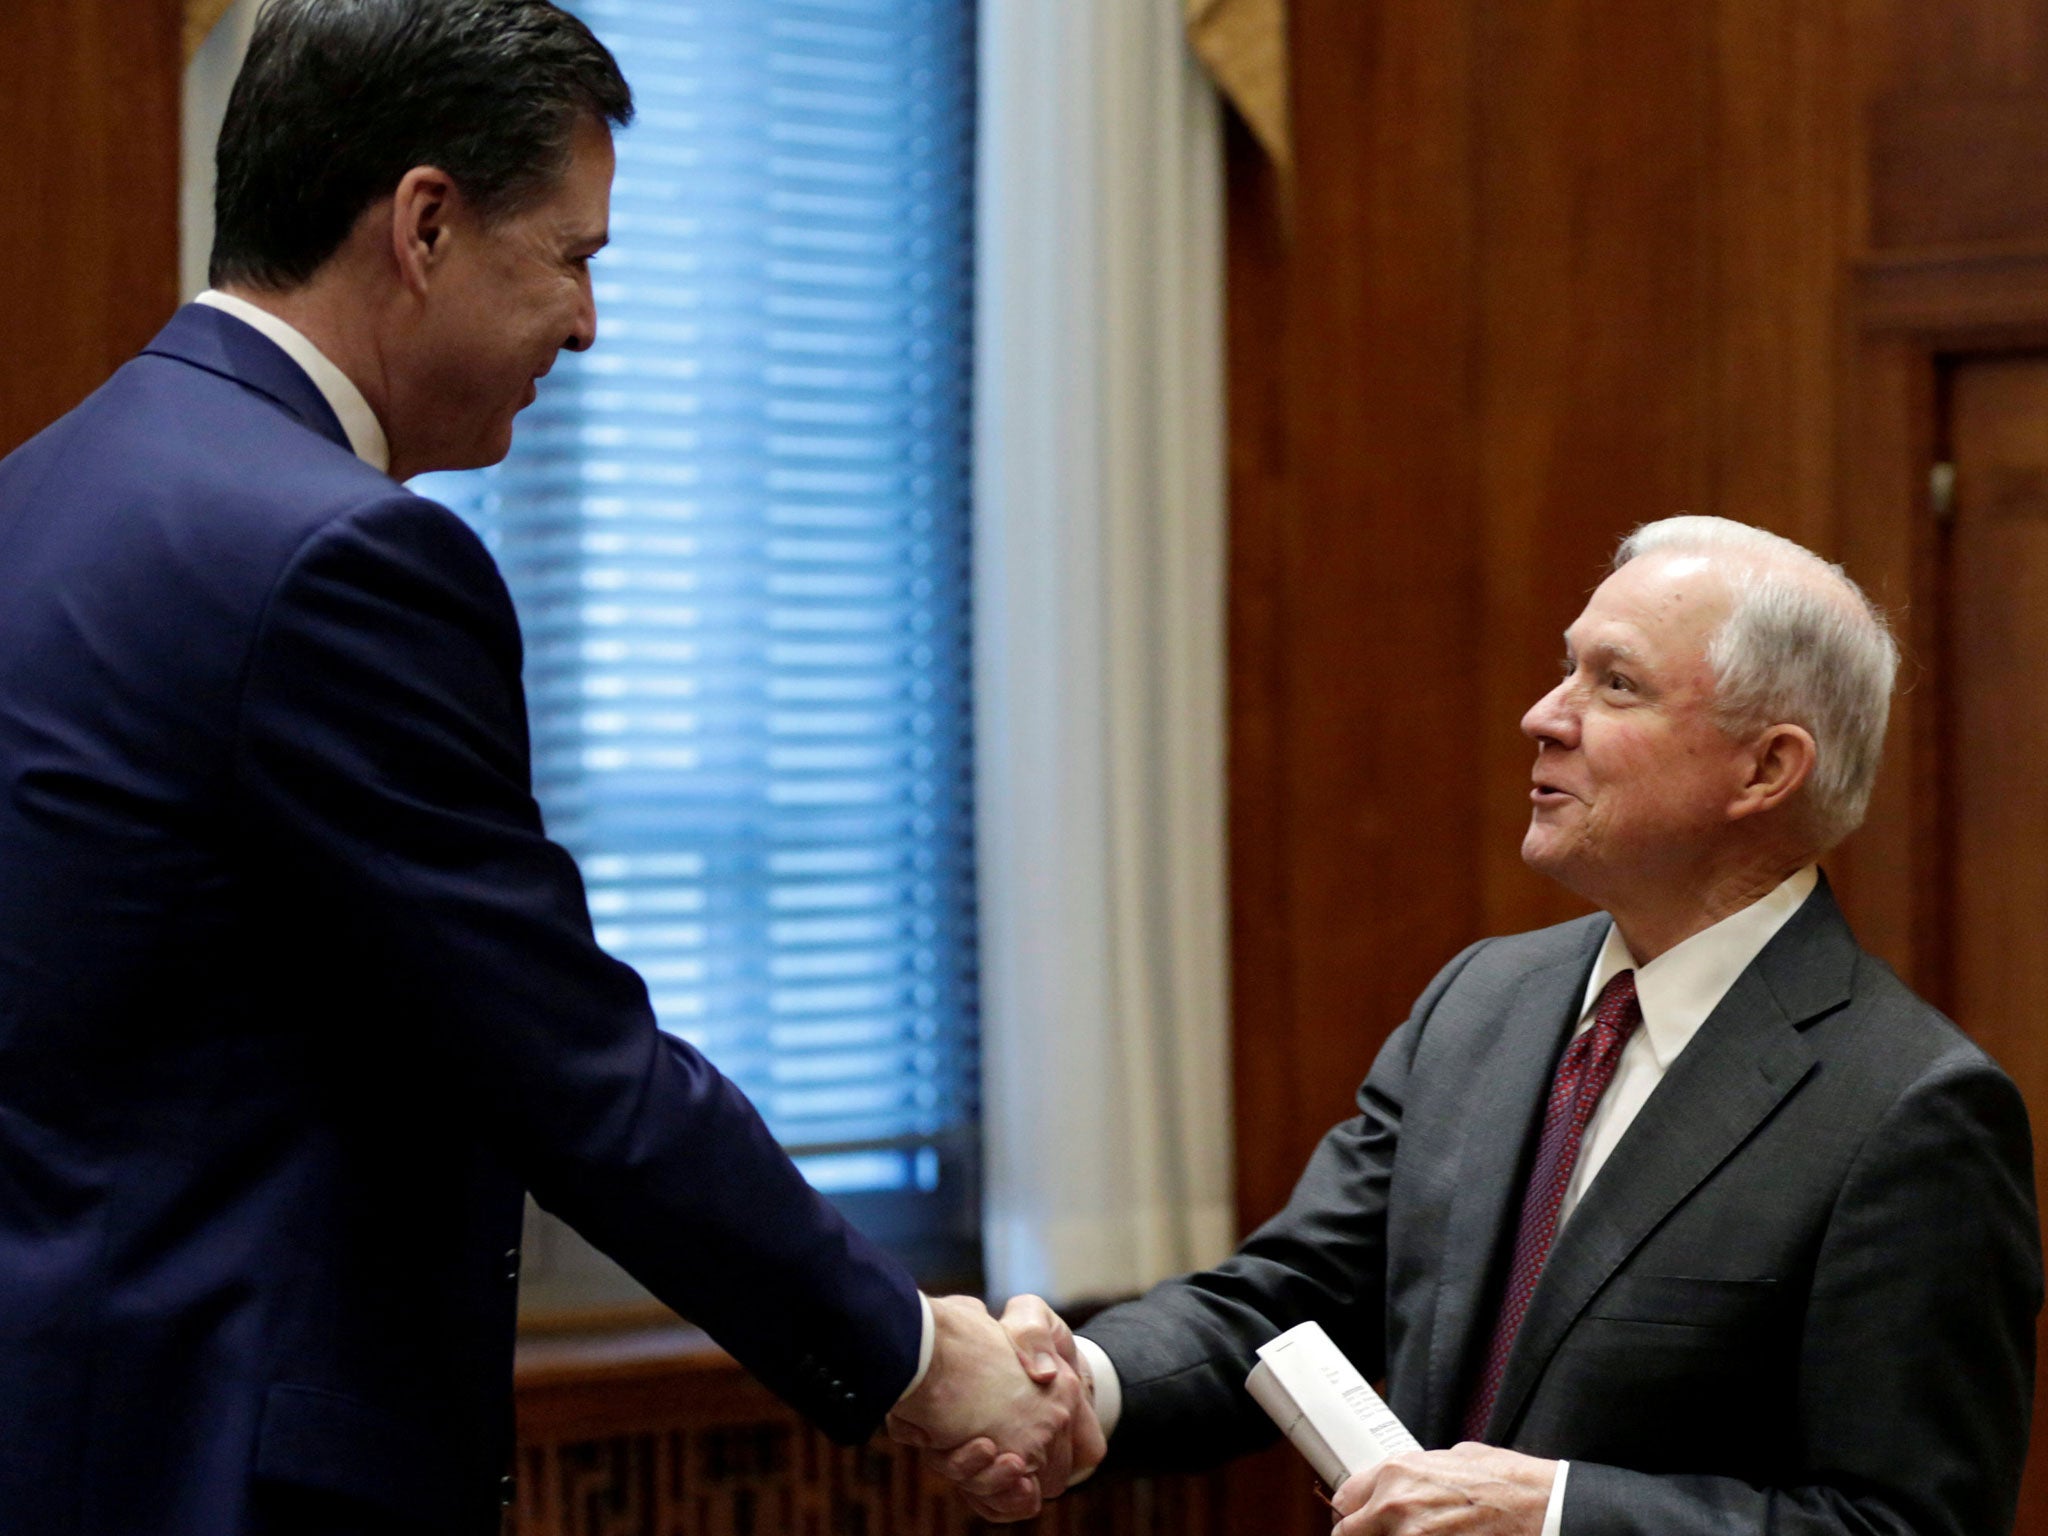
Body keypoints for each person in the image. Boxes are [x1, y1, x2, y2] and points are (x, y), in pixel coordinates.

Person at [0, 3, 1089, 1532]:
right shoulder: (337, 559)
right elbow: (562, 1061)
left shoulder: (39, 492)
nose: (588, 324)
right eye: (573, 257)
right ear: (426, 223)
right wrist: (917, 1357)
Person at [943, 516, 2043, 1534]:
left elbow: (1905, 1524)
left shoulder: (1906, 1110)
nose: (1542, 714)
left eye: (1614, 685)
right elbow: (1290, 1301)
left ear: (1765, 769)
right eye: (1567, 666)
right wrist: (1073, 1385)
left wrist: (1559, 1514)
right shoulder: (1485, 1001)